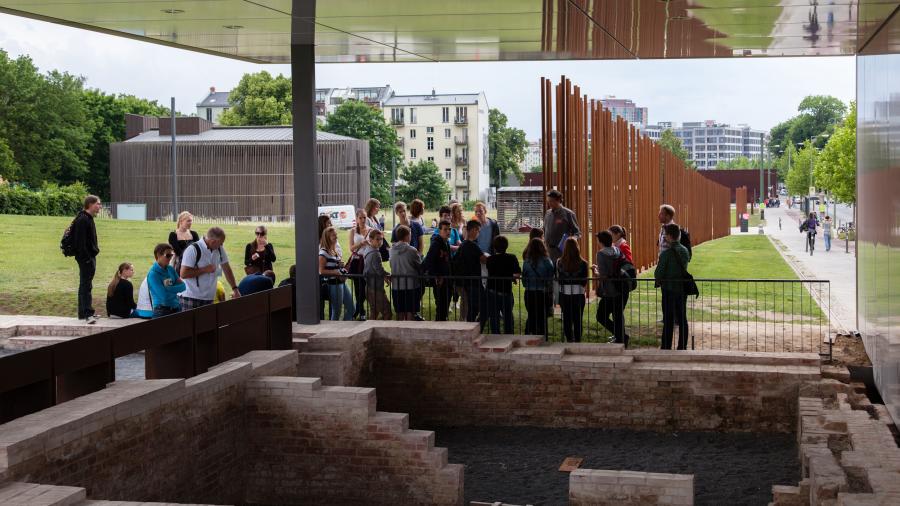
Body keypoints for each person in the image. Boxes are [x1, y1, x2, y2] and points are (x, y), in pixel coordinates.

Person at [179, 227, 240, 309]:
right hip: (191, 297)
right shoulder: (193, 249)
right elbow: (183, 274)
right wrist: (204, 269)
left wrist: (235, 289)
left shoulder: (219, 249)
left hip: (209, 298)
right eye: (221, 243)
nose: (222, 245)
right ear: (213, 241)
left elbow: (226, 268)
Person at [655, 224, 691, 350]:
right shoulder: (685, 251)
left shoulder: (666, 254)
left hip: (669, 289)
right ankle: (682, 345)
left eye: (665, 236)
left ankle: (666, 346)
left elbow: (658, 273)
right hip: (682, 289)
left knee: (668, 319)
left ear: (669, 236)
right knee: (682, 318)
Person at [593, 230, 629, 347]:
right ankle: (621, 337)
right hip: (620, 287)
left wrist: (595, 271)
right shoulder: (617, 250)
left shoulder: (601, 254)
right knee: (617, 315)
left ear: (601, 241)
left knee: (601, 316)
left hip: (609, 290)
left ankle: (621, 336)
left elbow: (603, 276)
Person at [69, 195, 102, 323]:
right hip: (86, 258)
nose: (99, 206)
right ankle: (88, 314)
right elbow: (80, 243)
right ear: (90, 204)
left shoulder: (87, 218)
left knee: (85, 285)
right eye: (98, 204)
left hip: (89, 256)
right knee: (85, 286)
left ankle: (83, 313)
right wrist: (87, 259)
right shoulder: (83, 219)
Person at [486, 235, 521, 334]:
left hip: (492, 291)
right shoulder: (512, 258)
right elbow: (517, 274)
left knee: (494, 317)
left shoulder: (490, 259)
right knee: (508, 317)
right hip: (506, 291)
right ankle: (509, 337)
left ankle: (495, 337)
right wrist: (511, 277)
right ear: (506, 246)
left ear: (494, 246)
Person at [454, 220, 487, 324]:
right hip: (470, 283)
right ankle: (467, 326)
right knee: (470, 307)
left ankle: (467, 324)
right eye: (478, 230)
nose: (478, 233)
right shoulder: (472, 245)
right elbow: (484, 259)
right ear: (473, 230)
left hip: (463, 282)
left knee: (468, 306)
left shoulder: (463, 245)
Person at [319, 226, 354, 321]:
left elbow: (334, 266)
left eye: (336, 235)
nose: (336, 237)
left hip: (341, 283)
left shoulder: (334, 250)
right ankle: (333, 332)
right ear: (327, 238)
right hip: (333, 285)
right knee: (337, 311)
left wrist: (342, 266)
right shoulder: (323, 252)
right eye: (333, 235)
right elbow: (321, 271)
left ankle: (344, 329)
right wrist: (336, 272)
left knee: (352, 308)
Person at [557, 237, 588, 343]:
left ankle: (569, 339)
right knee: (578, 319)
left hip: (564, 294)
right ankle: (578, 340)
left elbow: (559, 279)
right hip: (578, 294)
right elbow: (584, 281)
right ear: (577, 248)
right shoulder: (583, 263)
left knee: (567, 319)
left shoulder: (559, 263)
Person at [389, 225, 423, 321]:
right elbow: (419, 266)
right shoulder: (412, 250)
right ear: (407, 236)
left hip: (397, 286)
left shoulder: (391, 251)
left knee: (399, 312)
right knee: (410, 312)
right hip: (411, 286)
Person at [522, 237, 554, 336]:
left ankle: (529, 334)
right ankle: (543, 335)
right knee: (542, 316)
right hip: (542, 292)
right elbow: (550, 276)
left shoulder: (527, 262)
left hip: (529, 292)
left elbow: (524, 280)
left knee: (531, 314)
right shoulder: (547, 261)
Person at [542, 190, 581, 265]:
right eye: (548, 201)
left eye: (551, 201)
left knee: (561, 275)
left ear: (559, 200)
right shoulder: (547, 213)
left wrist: (573, 239)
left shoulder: (568, 213)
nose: (549, 203)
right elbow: (544, 229)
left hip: (562, 252)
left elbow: (577, 232)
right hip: (548, 251)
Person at [423, 220, 452, 321]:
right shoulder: (436, 244)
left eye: (449, 229)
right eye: (445, 229)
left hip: (447, 278)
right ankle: (439, 324)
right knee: (441, 304)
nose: (448, 231)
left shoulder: (446, 242)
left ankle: (443, 321)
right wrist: (435, 275)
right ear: (439, 230)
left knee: (446, 303)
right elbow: (429, 261)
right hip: (439, 280)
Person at [147, 243, 186, 318]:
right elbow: (164, 296)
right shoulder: (153, 274)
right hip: (161, 311)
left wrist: (168, 289)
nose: (170, 258)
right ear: (158, 255)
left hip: (176, 308)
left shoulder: (170, 269)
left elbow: (183, 286)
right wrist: (175, 290)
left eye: (171, 255)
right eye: (168, 255)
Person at [348, 208, 372, 320]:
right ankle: (361, 311)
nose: (363, 220)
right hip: (357, 261)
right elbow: (351, 248)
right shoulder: (353, 231)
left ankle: (358, 310)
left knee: (365, 287)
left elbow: (375, 245)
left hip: (367, 261)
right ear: (357, 219)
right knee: (358, 287)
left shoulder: (370, 230)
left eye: (364, 217)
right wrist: (360, 243)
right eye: (360, 218)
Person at [363, 229, 392, 321]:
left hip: (369, 287)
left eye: (381, 239)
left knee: (374, 312)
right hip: (376, 289)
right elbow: (378, 269)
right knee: (387, 311)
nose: (380, 242)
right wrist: (387, 275)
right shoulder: (375, 253)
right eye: (377, 239)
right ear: (370, 240)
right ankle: (384, 333)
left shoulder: (368, 249)